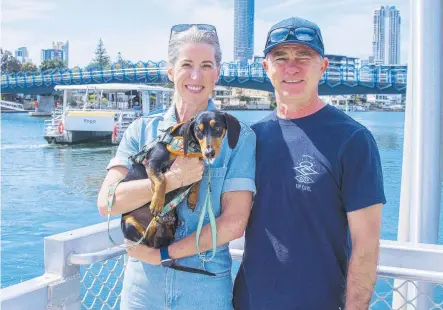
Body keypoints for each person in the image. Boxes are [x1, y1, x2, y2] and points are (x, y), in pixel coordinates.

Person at [97, 24, 256, 310]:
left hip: (204, 288)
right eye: (187, 65)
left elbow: (234, 223)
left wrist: (165, 255)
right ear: (170, 71)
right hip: (142, 291)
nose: (196, 76)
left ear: (217, 73)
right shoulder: (140, 131)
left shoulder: (238, 137)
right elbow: (107, 203)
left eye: (206, 65)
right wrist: (171, 179)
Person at [233, 17, 386, 310]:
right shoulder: (251, 138)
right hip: (248, 302)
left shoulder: (353, 140)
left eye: (304, 56)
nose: (292, 67)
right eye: (281, 58)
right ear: (267, 68)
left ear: (323, 67)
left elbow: (366, 245)